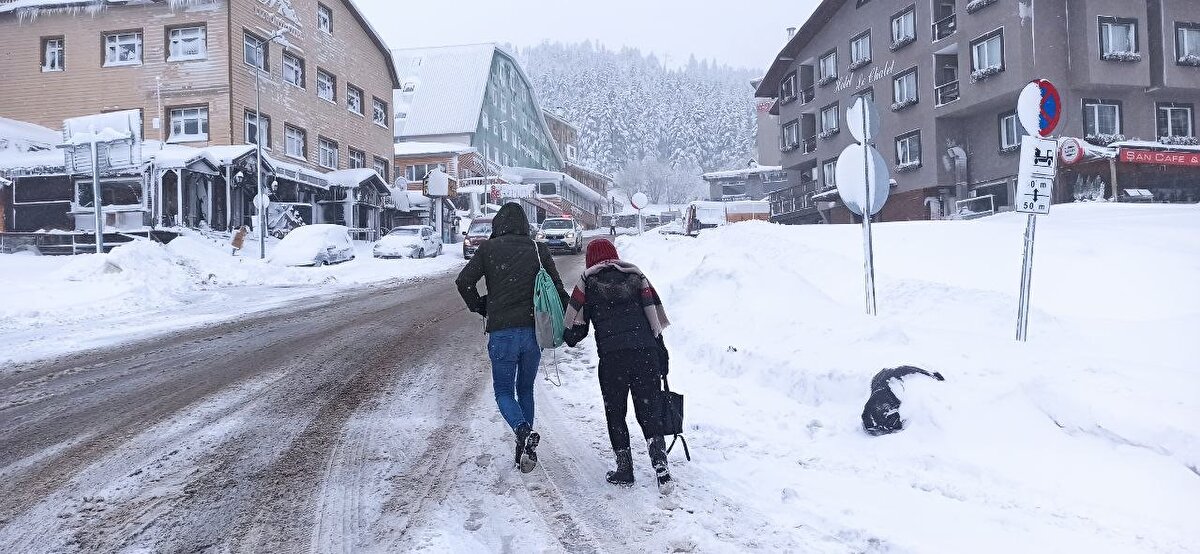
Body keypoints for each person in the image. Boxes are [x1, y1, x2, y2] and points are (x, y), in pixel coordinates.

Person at [456, 203, 569, 473]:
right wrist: (570, 321)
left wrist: (481, 305)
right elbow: (557, 288)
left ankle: (521, 430)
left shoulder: (488, 249)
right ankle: (523, 449)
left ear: (498, 224)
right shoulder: (538, 250)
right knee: (526, 389)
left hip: (502, 333)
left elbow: (464, 282)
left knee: (504, 391)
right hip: (533, 332)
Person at [562, 239, 673, 488]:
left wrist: (564, 326)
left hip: (613, 359)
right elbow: (653, 320)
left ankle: (625, 468)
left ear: (590, 260)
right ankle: (660, 464)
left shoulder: (587, 284)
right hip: (645, 353)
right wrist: (662, 355)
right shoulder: (636, 277)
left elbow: (574, 333)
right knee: (649, 408)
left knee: (616, 412)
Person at [861, 366, 945, 436]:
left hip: (885, 378)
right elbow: (866, 415)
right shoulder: (879, 403)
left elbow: (905, 369)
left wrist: (929, 374)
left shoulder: (889, 384)